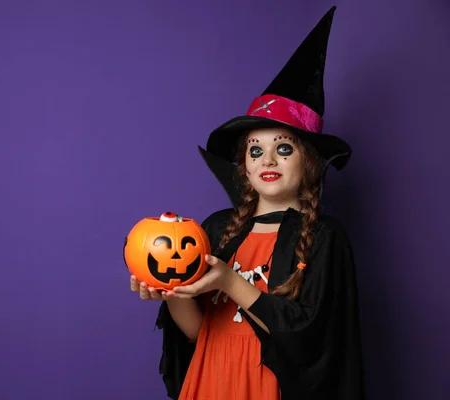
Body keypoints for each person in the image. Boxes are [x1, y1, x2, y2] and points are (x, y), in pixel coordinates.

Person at [129, 6, 366, 400]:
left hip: (270, 384)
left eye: (283, 148)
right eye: (255, 150)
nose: (267, 160)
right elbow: (196, 331)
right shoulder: (218, 228)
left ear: (308, 161)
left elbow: (313, 341)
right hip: (210, 377)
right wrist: (171, 294)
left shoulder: (326, 238)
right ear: (245, 166)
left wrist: (229, 281)